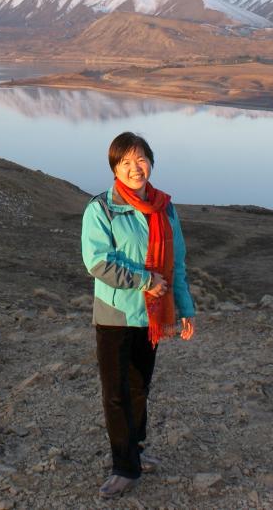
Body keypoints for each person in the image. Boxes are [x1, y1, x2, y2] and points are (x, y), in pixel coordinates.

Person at [81, 131, 197, 499]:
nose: (135, 168)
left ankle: (136, 450)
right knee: (116, 393)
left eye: (141, 159)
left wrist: (185, 308)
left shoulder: (165, 208)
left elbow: (177, 264)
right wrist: (144, 280)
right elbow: (98, 262)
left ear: (151, 162)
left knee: (139, 388)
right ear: (114, 168)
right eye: (125, 162)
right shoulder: (102, 209)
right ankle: (124, 467)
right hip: (115, 315)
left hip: (152, 317)